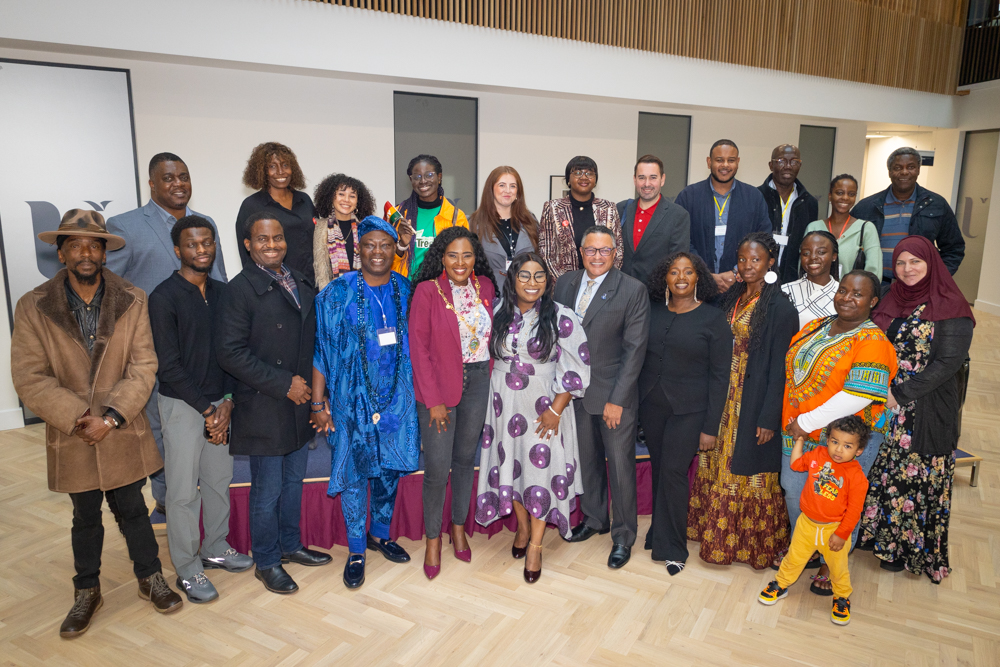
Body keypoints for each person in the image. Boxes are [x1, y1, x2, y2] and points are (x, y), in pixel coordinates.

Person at [12, 210, 182, 638]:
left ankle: (150, 577)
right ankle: (87, 591)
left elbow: (144, 365)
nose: (85, 253)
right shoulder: (33, 305)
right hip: (73, 433)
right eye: (75, 245)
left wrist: (111, 417)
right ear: (61, 253)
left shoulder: (133, 298)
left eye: (93, 245)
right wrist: (79, 418)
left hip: (121, 426)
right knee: (84, 516)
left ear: (105, 253)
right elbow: (29, 376)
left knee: (134, 509)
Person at [216, 212, 331, 596]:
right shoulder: (238, 290)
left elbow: (313, 342)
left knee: (293, 482)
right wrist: (284, 384)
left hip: (299, 403)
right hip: (264, 403)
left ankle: (290, 545)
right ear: (248, 245)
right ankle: (266, 561)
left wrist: (314, 396)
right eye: (262, 239)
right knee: (267, 490)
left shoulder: (300, 281)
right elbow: (230, 353)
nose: (272, 245)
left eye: (277, 238)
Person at [106, 152, 228, 513]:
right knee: (161, 424)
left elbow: (219, 279)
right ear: (151, 184)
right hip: (154, 347)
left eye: (184, 177)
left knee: (207, 426)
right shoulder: (125, 225)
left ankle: (200, 496)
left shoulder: (204, 224)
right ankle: (165, 497)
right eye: (169, 178)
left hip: (205, 348)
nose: (178, 184)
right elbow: (112, 290)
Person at [148, 216, 254, 603]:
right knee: (181, 492)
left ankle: (215, 547)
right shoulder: (163, 297)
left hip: (220, 404)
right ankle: (188, 567)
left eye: (207, 242)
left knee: (217, 480)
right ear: (178, 250)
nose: (201, 249)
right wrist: (208, 411)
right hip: (183, 405)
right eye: (192, 244)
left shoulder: (224, 293)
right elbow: (169, 366)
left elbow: (233, 352)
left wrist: (227, 401)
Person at [310, 217, 420, 589]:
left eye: (385, 245)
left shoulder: (406, 289)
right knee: (356, 473)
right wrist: (318, 404)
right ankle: (356, 549)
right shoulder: (336, 292)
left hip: (396, 398)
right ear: (359, 249)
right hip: (351, 400)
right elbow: (321, 349)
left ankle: (381, 534)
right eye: (370, 245)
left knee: (389, 469)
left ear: (394, 250)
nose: (377, 252)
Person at [859, 235, 975, 583]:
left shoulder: (952, 306)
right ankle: (879, 539)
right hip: (884, 404)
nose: (907, 269)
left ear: (931, 264)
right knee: (884, 471)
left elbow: (947, 365)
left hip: (924, 407)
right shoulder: (892, 297)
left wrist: (900, 394)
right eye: (901, 262)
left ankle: (906, 550)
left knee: (914, 477)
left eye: (916, 262)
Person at [474, 252, 591, 583]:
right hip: (502, 407)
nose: (532, 282)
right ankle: (523, 528)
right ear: (512, 279)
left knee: (540, 473)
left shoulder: (562, 316)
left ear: (547, 281)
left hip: (543, 409)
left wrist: (556, 409)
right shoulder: (497, 311)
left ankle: (536, 546)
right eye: (524, 275)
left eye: (539, 276)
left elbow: (577, 368)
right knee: (509, 466)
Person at [782, 270, 897, 594]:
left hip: (846, 442)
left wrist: (805, 422)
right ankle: (806, 547)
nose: (847, 298)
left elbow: (857, 396)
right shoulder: (818, 325)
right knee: (794, 491)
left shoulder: (873, 341)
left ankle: (830, 562)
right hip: (799, 431)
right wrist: (799, 423)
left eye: (858, 294)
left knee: (839, 502)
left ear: (873, 301)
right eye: (843, 290)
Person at [687, 232, 798, 569]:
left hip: (751, 401)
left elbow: (781, 369)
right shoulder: (731, 297)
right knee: (716, 461)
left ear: (771, 262)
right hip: (721, 396)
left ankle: (749, 546)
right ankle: (712, 532)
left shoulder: (780, 307)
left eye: (756, 259)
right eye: (742, 259)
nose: (748, 265)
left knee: (747, 468)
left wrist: (768, 417)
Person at [553, 226, 650, 569]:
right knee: (587, 461)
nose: (598, 256)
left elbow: (634, 351)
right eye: (591, 250)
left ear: (615, 253)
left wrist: (618, 400)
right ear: (581, 252)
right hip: (573, 395)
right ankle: (595, 519)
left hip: (613, 396)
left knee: (620, 468)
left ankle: (623, 536)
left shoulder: (632, 290)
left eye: (604, 250)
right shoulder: (565, 283)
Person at [409, 227, 497, 579]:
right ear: (441, 258)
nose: (460, 262)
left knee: (463, 461)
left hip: (478, 382)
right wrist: (433, 401)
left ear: (476, 258)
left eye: (467, 255)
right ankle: (433, 539)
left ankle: (458, 527)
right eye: (452, 255)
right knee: (437, 467)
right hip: (438, 389)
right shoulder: (427, 291)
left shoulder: (486, 287)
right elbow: (419, 349)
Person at [638, 252, 732, 575]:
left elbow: (720, 377)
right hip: (652, 406)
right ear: (664, 278)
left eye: (688, 271)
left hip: (690, 411)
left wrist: (711, 427)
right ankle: (657, 532)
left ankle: (674, 547)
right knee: (660, 468)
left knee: (674, 472)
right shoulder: (652, 312)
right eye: (674, 271)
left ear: (698, 278)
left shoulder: (713, 319)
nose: (681, 277)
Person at [759, 417, 872, 627]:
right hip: (806, 525)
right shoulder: (818, 454)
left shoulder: (857, 476)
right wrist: (800, 441)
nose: (839, 449)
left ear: (859, 450)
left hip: (834, 530)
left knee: (838, 568)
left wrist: (842, 534)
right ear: (827, 440)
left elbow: (854, 511)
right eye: (835, 442)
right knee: (793, 559)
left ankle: (841, 598)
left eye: (847, 446)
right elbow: (795, 464)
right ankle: (780, 584)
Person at [850, 147, 965, 280]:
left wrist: (937, 278)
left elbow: (954, 248)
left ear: (918, 170)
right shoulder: (866, 206)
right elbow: (849, 245)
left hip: (918, 286)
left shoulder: (936, 204)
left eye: (910, 167)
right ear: (889, 172)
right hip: (875, 284)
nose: (904, 172)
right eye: (897, 168)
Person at [676, 140, 772, 292]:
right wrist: (705, 274)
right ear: (709, 162)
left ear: (738, 162)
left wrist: (737, 272)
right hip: (696, 287)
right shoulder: (688, 196)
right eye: (719, 160)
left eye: (731, 160)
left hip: (741, 287)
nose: (725, 165)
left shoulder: (754, 197)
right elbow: (680, 240)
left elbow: (763, 240)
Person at [236, 142, 316, 283]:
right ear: (262, 171)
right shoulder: (251, 205)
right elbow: (246, 254)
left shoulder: (305, 200)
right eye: (272, 166)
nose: (280, 171)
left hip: (311, 283)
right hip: (274, 285)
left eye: (285, 165)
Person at [537, 156, 623, 279]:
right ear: (568, 179)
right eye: (577, 173)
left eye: (589, 173)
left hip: (603, 282)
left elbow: (618, 251)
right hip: (564, 283)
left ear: (595, 180)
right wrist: (565, 283)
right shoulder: (552, 208)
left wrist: (603, 281)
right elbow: (546, 254)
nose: (584, 177)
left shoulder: (609, 208)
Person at [390, 154, 469, 278]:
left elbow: (464, 259)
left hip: (441, 288)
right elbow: (387, 260)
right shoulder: (398, 214)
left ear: (439, 177)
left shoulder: (456, 217)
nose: (423, 181)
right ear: (411, 180)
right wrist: (402, 244)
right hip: (406, 287)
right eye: (417, 177)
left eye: (429, 175)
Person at [616, 154, 691, 285]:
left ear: (662, 179)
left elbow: (677, 261)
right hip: (622, 289)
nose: (647, 184)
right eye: (641, 177)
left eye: (653, 177)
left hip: (656, 291)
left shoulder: (678, 215)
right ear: (634, 180)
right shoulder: (621, 209)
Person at [469, 166, 537, 293]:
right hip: (488, 294)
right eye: (502, 185)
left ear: (518, 192)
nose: (508, 190)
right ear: (491, 189)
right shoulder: (473, 223)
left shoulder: (530, 221)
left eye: (513, 186)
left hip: (525, 294)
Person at [758, 144, 819, 283]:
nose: (788, 166)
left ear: (800, 166)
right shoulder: (756, 197)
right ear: (771, 165)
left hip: (793, 279)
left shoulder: (809, 203)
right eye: (781, 161)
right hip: (758, 276)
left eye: (794, 162)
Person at [805, 174, 881, 278]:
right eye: (840, 193)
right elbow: (803, 265)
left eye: (851, 194)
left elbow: (874, 272)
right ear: (830, 196)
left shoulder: (866, 229)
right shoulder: (813, 228)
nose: (845, 198)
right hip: (815, 287)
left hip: (851, 288)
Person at [312, 173, 377, 290]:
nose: (346, 200)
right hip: (331, 295)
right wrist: (328, 296)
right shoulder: (320, 228)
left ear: (358, 201)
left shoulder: (366, 229)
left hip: (364, 294)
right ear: (331, 197)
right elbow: (320, 271)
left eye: (352, 196)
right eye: (341, 194)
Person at [781, 230, 840, 329]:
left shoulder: (844, 295)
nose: (813, 257)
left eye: (821, 252)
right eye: (806, 253)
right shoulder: (784, 291)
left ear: (834, 256)